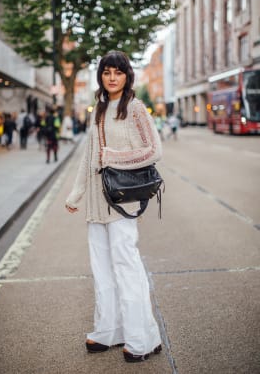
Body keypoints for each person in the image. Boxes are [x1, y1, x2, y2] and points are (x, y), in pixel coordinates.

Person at [65, 51, 162, 363]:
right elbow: (88, 156)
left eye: (117, 72)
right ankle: (109, 330)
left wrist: (114, 158)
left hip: (120, 202)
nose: (111, 77)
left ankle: (143, 338)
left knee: (126, 267)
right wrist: (76, 194)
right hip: (96, 202)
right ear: (101, 76)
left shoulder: (134, 108)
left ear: (126, 76)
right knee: (102, 269)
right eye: (106, 72)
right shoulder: (99, 108)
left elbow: (153, 150)